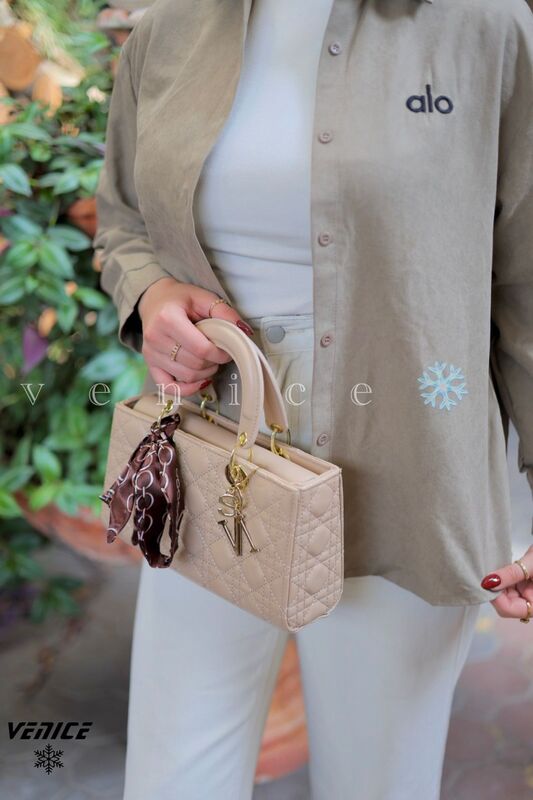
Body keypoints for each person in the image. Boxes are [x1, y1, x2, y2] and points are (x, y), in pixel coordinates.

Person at [93, 1, 533, 798]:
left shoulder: (484, 26)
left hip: (408, 468)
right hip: (207, 462)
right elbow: (122, 218)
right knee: (172, 774)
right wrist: (150, 293)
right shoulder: (168, 31)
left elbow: (527, 283)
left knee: (377, 780)